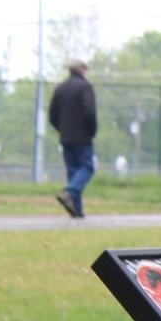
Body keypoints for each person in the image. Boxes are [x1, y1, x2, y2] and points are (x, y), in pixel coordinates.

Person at [48, 59, 98, 219]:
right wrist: (91, 131)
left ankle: (76, 211)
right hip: (82, 137)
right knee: (87, 168)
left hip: (66, 137)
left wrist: (62, 129)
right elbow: (90, 112)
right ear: (82, 70)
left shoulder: (60, 88)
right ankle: (69, 192)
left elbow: (52, 115)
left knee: (73, 172)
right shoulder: (85, 87)